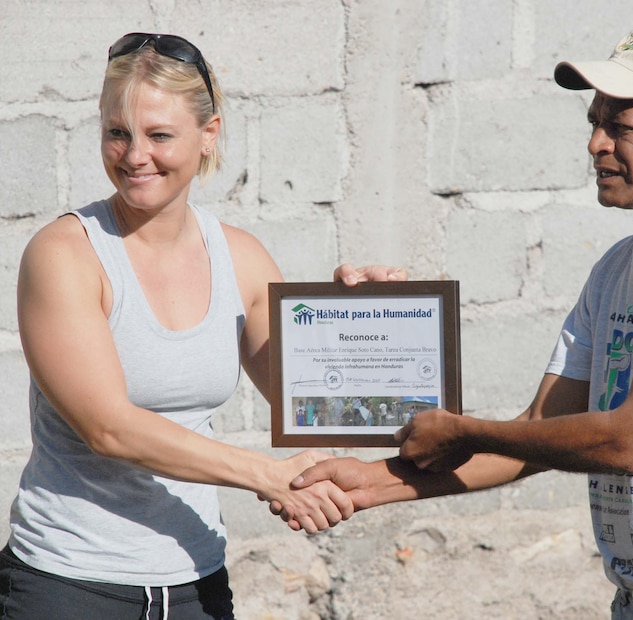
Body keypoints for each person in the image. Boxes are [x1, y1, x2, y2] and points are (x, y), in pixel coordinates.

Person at [286, 25, 633, 620]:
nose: (596, 143)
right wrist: (369, 484)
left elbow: (625, 442)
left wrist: (463, 432)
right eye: (594, 123)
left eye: (620, 127)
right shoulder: (616, 269)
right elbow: (537, 435)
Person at [2, 32, 405, 620]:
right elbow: (110, 429)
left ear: (208, 134)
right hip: (69, 586)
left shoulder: (239, 257)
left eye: (159, 135)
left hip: (196, 582)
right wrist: (266, 476)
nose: (135, 154)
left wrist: (378, 323)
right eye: (118, 133)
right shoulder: (65, 254)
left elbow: (328, 405)